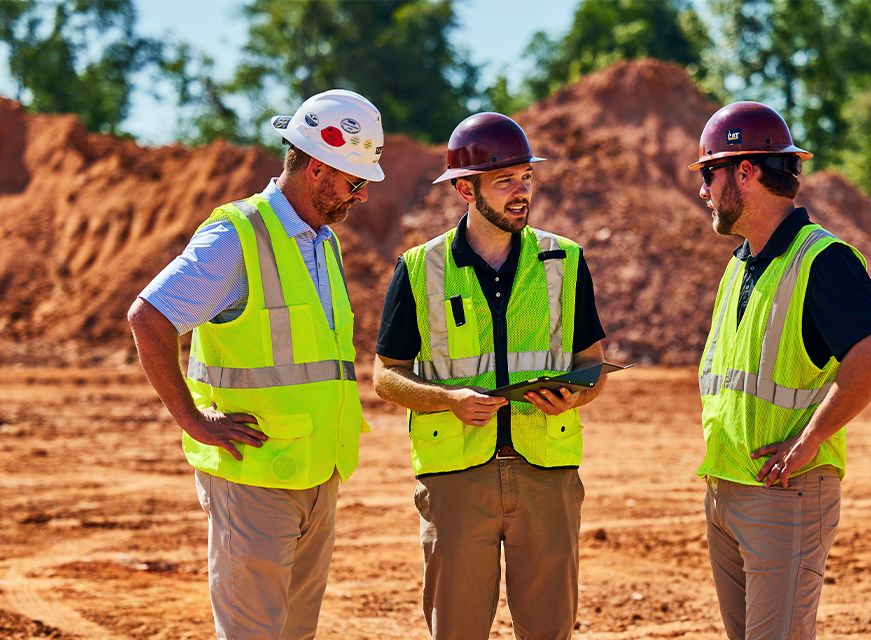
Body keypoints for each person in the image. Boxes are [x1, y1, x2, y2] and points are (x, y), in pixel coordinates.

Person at [127, 89, 384, 639]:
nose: (360, 196)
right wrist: (193, 421)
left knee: (294, 633)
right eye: (355, 181)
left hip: (318, 470)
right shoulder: (236, 238)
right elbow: (149, 318)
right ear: (318, 168)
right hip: (254, 475)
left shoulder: (324, 244)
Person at [373, 112, 607, 640]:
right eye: (504, 181)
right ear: (464, 188)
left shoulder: (564, 260)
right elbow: (385, 376)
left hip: (546, 470)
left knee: (550, 630)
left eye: (525, 177)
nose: (520, 192)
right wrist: (447, 400)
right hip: (456, 477)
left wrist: (575, 396)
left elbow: (592, 363)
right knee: (456, 631)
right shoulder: (419, 268)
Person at [690, 101, 871, 640]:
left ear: (745, 170)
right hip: (729, 489)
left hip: (785, 496)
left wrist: (810, 440)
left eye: (708, 174)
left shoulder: (822, 259)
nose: (703, 191)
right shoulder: (740, 264)